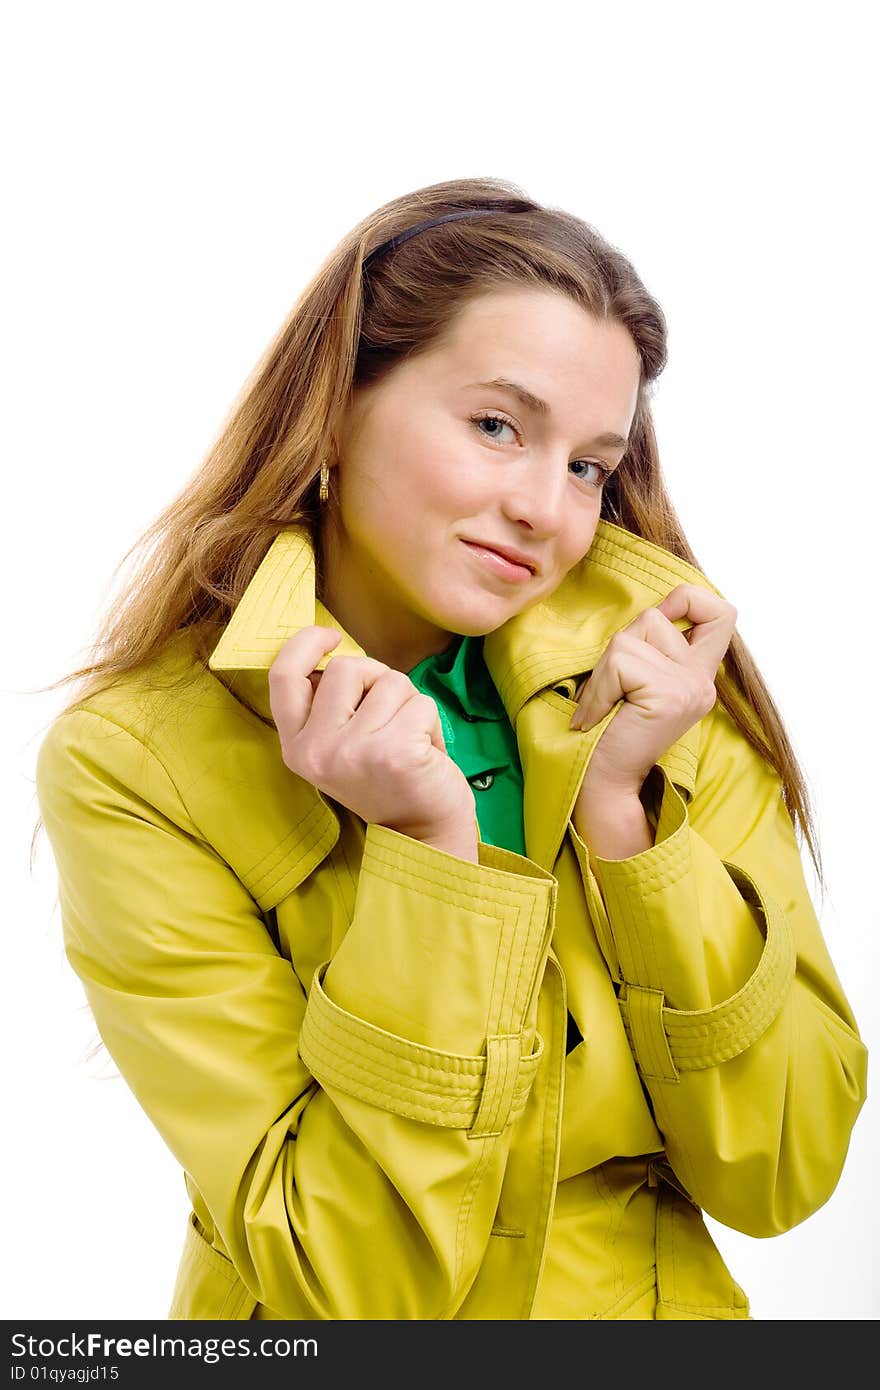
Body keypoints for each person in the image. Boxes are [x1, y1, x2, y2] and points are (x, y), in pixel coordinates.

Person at [33, 176, 867, 1321]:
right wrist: (430, 854)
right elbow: (354, 1285)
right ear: (333, 409)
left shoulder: (657, 696)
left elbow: (782, 1167)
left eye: (586, 463)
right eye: (496, 426)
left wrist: (625, 823)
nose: (545, 507)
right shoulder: (134, 763)